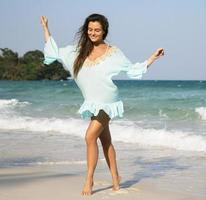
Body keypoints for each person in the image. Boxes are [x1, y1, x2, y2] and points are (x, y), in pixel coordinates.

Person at [40, 13, 164, 196]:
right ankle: (115, 178)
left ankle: (88, 179)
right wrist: (45, 29)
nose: (93, 33)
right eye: (90, 29)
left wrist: (152, 58)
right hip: (92, 102)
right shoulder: (77, 51)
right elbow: (55, 52)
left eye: (97, 30)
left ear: (104, 31)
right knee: (105, 141)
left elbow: (132, 70)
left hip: (108, 101)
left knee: (90, 137)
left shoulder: (113, 52)